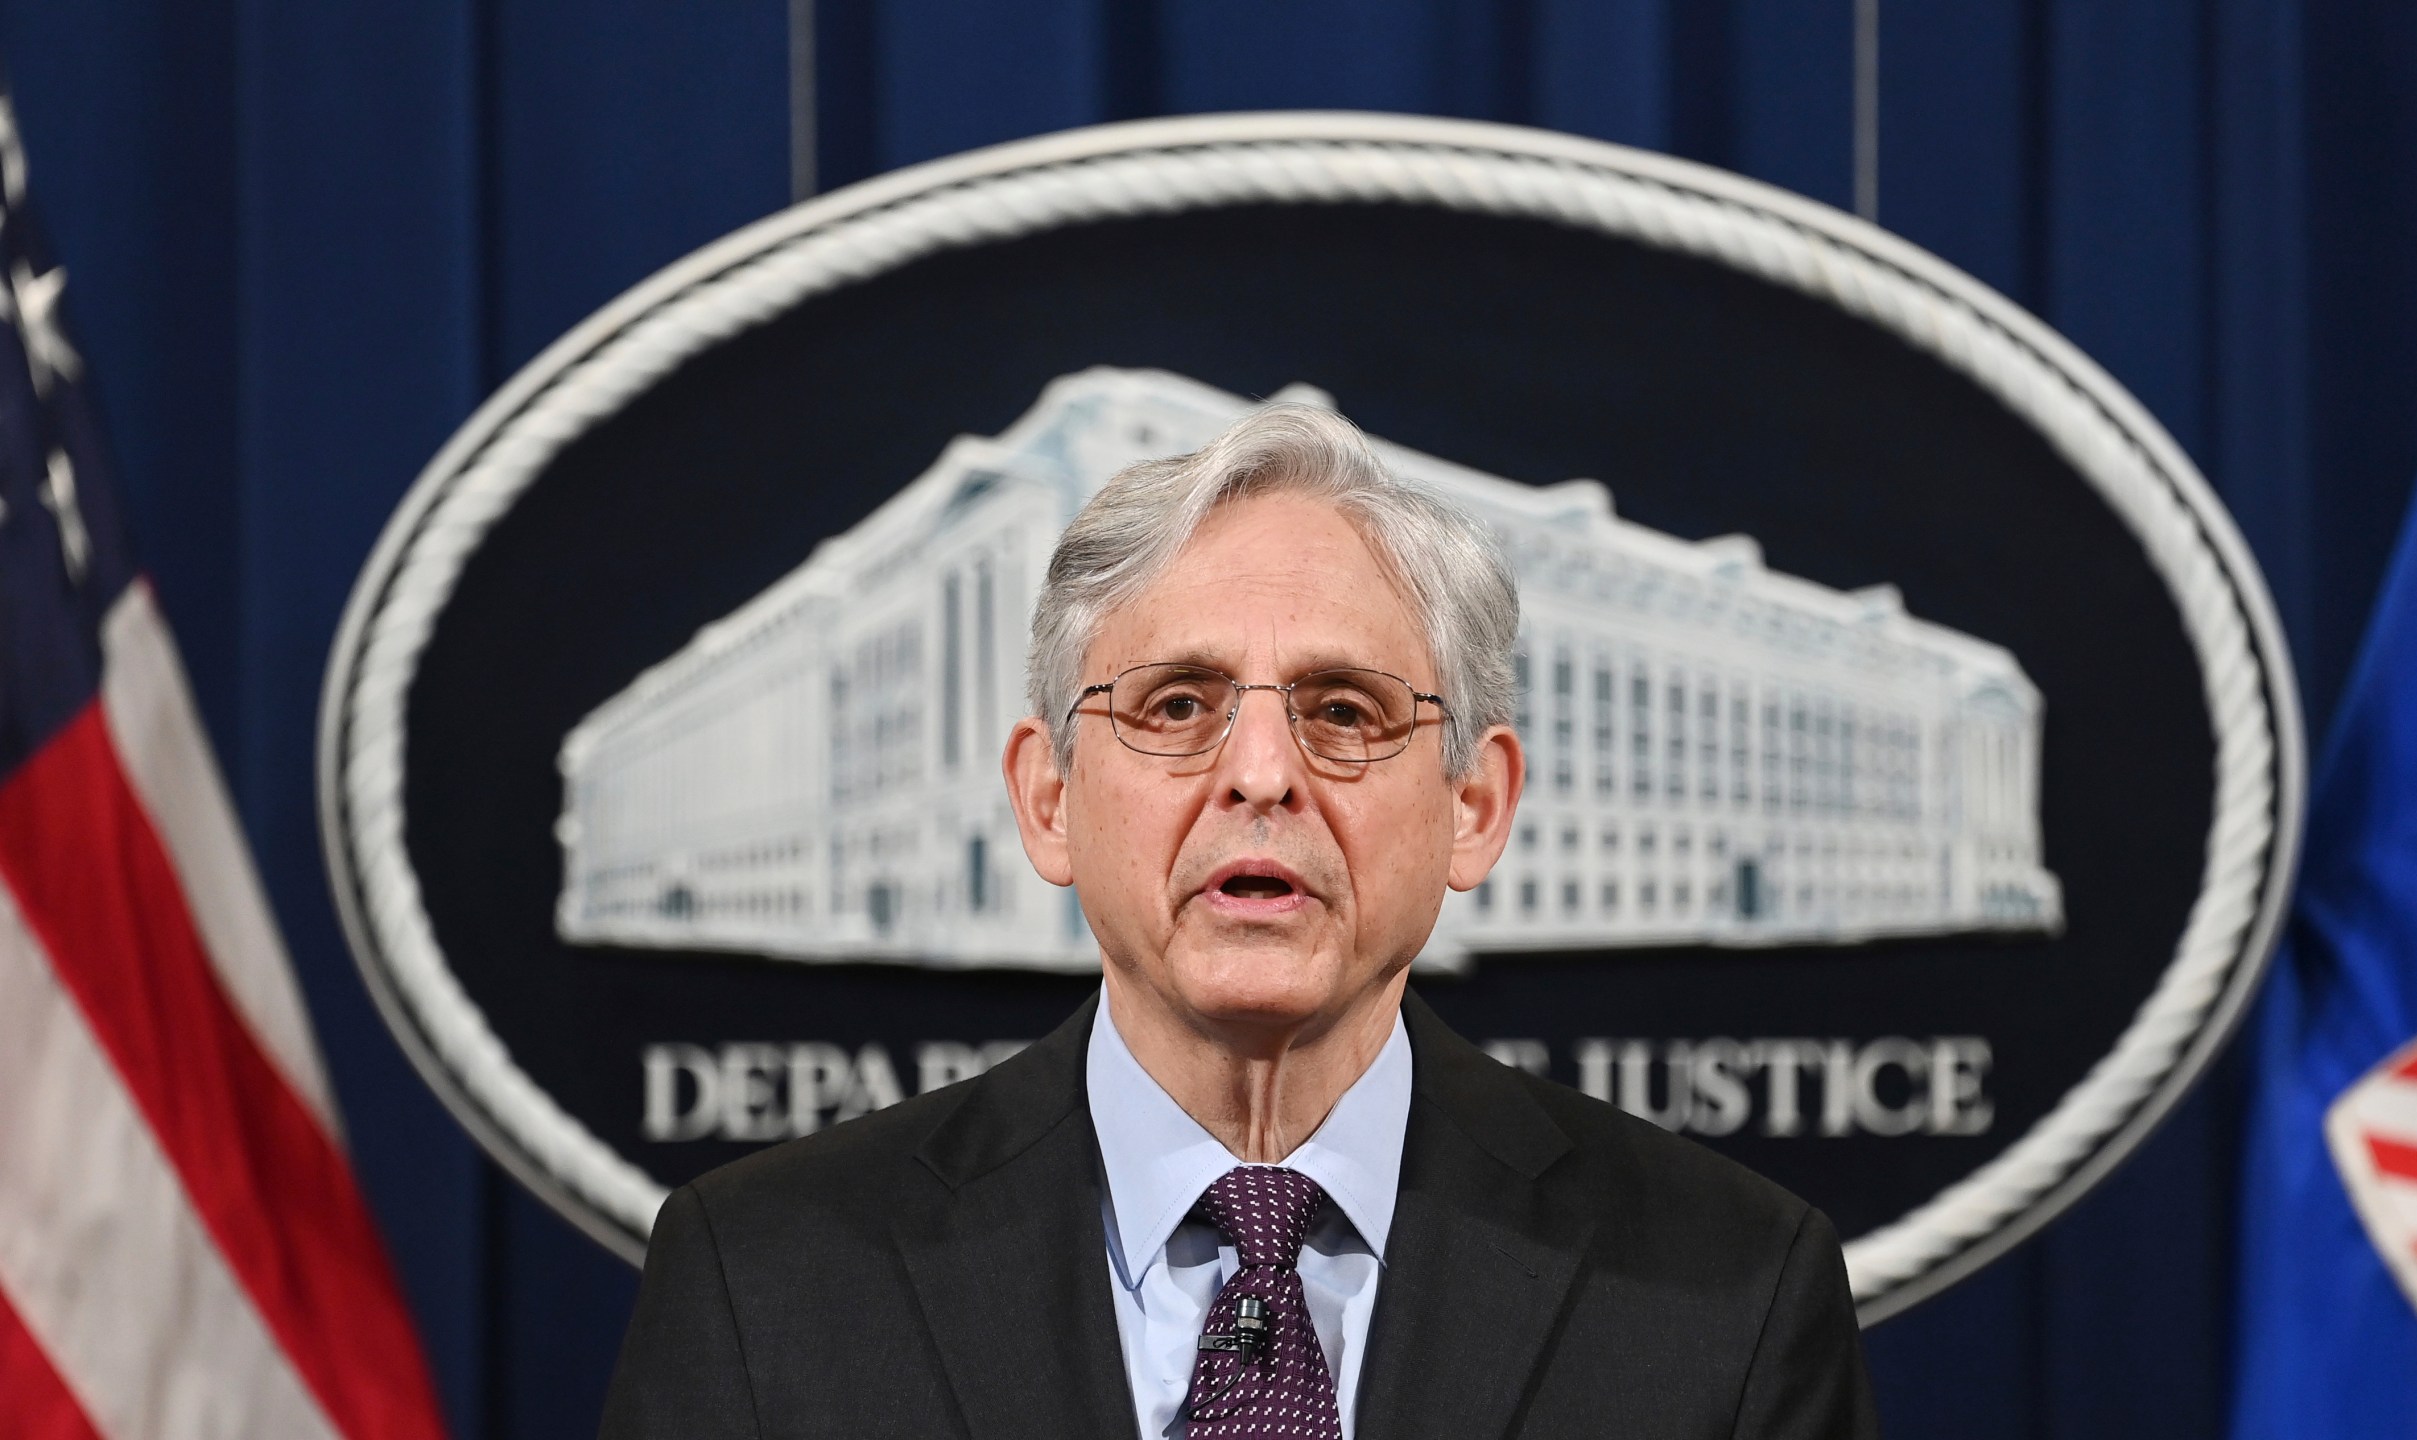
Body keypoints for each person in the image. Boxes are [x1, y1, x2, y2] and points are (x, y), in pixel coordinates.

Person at [598, 404, 1878, 1440]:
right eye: (1173, 706)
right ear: (1049, 800)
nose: (1260, 773)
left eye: (1342, 711)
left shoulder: (1732, 1293)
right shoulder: (764, 1283)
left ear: (1473, 806)